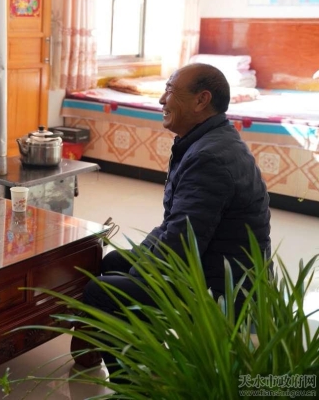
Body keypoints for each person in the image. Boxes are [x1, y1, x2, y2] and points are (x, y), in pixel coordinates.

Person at [73, 63, 271, 375]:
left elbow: (181, 246)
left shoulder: (209, 158)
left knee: (102, 291)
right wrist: (137, 261)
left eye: (170, 91)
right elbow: (174, 225)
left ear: (201, 100)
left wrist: (140, 272)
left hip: (223, 289)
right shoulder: (210, 140)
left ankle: (138, 385)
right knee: (114, 262)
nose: (162, 100)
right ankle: (148, 349)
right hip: (210, 262)